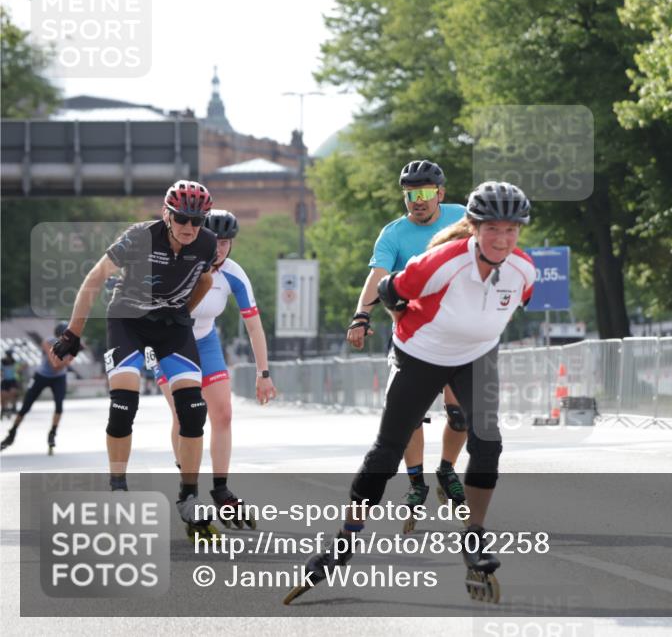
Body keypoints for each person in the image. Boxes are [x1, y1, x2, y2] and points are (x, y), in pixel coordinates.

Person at [285, 181, 534, 605]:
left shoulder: (524, 270)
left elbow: (507, 305)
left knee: (488, 441)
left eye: (511, 230)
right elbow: (388, 291)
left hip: (475, 356)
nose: (502, 239)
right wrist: (403, 322)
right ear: (473, 227)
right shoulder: (441, 261)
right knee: (388, 449)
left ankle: (474, 535)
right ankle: (344, 539)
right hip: (419, 353)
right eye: (492, 228)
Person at [48, 180, 219, 540]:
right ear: (166, 214)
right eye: (182, 219)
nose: (189, 228)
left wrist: (183, 312)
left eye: (197, 220)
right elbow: (95, 279)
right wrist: (73, 333)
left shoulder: (205, 243)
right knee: (124, 403)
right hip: (128, 321)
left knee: (193, 409)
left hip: (171, 325)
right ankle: (118, 486)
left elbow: (204, 281)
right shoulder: (139, 237)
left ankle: (189, 496)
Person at [346, 159, 470, 530]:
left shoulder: (462, 218)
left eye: (425, 194)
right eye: (410, 194)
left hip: (456, 330)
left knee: (460, 413)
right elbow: (377, 277)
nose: (417, 201)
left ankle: (446, 470)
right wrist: (361, 316)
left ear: (440, 194)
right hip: (413, 333)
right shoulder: (394, 234)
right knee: (410, 414)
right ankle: (416, 482)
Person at [151, 209, 277, 529]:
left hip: (205, 342)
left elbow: (254, 327)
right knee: (184, 413)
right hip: (167, 342)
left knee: (223, 413)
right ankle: (187, 489)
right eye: (215, 241)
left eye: (226, 242)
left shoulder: (234, 273)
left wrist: (264, 373)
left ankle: (221, 490)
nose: (219, 248)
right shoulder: (179, 262)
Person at [0, 323, 75, 454]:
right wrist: (69, 357)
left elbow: (61, 365)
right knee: (25, 406)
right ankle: (12, 433)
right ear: (57, 336)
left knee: (59, 406)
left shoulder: (71, 345)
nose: (64, 341)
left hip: (59, 378)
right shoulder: (48, 342)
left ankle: (52, 433)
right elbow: (55, 365)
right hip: (42, 375)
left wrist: (70, 355)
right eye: (62, 338)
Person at [1, 349, 23, 418]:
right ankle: (4, 408)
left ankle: (13, 406)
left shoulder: (14, 362)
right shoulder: (2, 362)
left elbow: (20, 368)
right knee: (3, 395)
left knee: (13, 393)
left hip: (12, 380)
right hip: (5, 380)